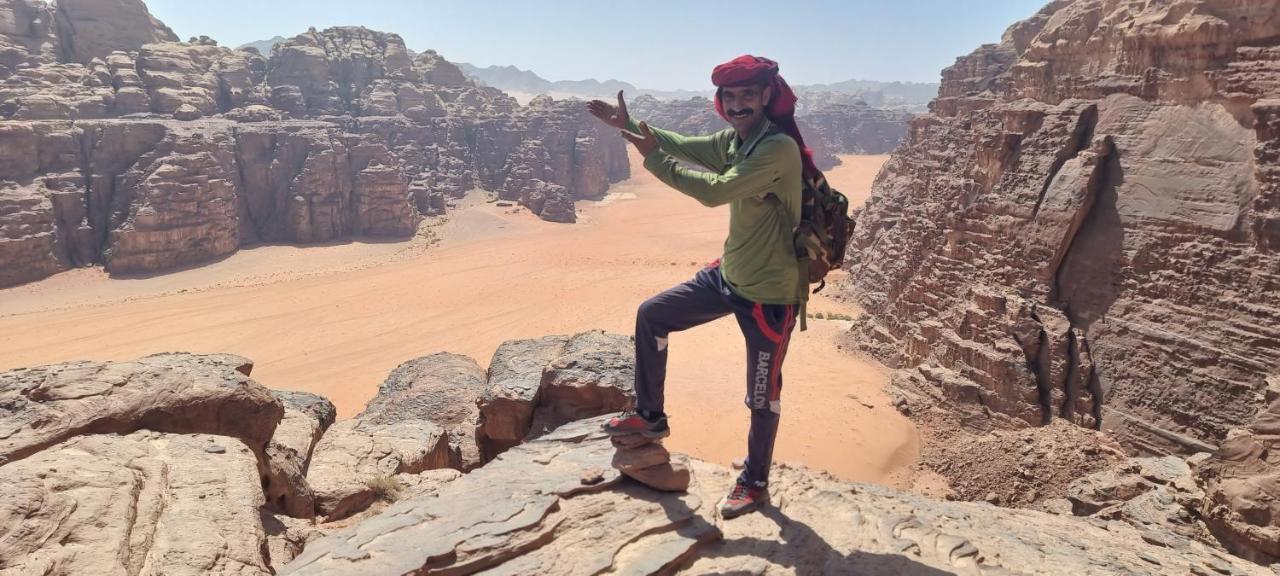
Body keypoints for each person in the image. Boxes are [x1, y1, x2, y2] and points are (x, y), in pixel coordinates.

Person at [587, 55, 818, 519]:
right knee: (653, 314)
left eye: (747, 95)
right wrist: (627, 123)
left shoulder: (775, 150)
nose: (737, 104)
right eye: (729, 97)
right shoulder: (736, 141)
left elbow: (713, 191)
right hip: (728, 274)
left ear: (767, 96)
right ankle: (650, 416)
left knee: (761, 394)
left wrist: (650, 157)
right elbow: (685, 145)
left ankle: (754, 482)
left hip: (770, 294)